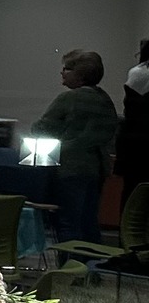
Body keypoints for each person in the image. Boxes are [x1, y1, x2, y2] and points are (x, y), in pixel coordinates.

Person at [33, 48, 120, 241]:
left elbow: (42, 128)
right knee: (89, 222)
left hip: (70, 168)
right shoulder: (105, 99)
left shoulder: (68, 98)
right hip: (97, 169)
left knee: (68, 222)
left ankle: (69, 260)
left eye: (67, 68)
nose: (62, 72)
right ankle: (88, 259)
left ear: (80, 75)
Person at [117, 39, 149, 210]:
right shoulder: (141, 74)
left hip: (134, 145)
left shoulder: (138, 73)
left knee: (132, 196)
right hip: (139, 144)